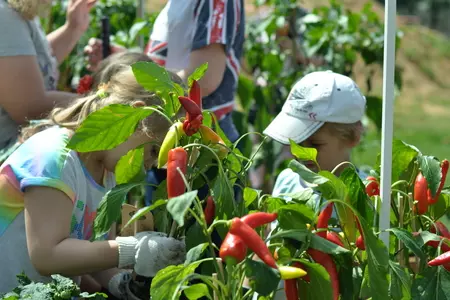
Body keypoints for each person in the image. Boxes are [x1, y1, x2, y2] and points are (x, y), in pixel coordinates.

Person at [0, 67, 186, 298]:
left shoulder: (106, 171)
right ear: (133, 119)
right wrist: (133, 249)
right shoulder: (55, 158)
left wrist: (118, 282)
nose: (154, 164)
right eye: (154, 150)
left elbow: (91, 250)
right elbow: (47, 255)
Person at [253, 70, 369, 300]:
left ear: (352, 139)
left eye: (314, 143)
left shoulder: (366, 192)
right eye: (294, 141)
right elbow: (270, 245)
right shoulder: (287, 180)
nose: (300, 153)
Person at [0, 0, 96, 162]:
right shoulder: (5, 17)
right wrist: (102, 101)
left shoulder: (14, 11)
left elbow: (28, 66)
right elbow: (30, 106)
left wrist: (73, 28)